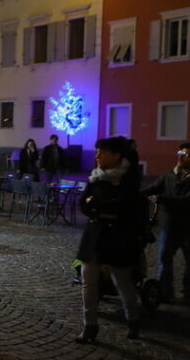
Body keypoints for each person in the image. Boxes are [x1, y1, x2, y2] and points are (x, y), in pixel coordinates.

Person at [74, 137, 144, 343]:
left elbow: (124, 208)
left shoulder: (129, 179)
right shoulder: (95, 177)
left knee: (121, 282)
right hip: (94, 237)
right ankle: (90, 326)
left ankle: (133, 319)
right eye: (97, 152)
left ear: (116, 156)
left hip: (117, 238)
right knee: (88, 282)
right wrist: (99, 207)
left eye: (102, 153)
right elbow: (82, 204)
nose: (97, 156)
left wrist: (97, 205)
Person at [141, 142, 190, 302]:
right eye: (180, 153)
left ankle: (188, 293)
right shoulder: (169, 175)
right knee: (164, 259)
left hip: (188, 226)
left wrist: (163, 199)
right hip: (169, 224)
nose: (181, 157)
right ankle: (165, 292)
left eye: (185, 155)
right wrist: (133, 195)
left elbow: (187, 200)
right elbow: (153, 188)